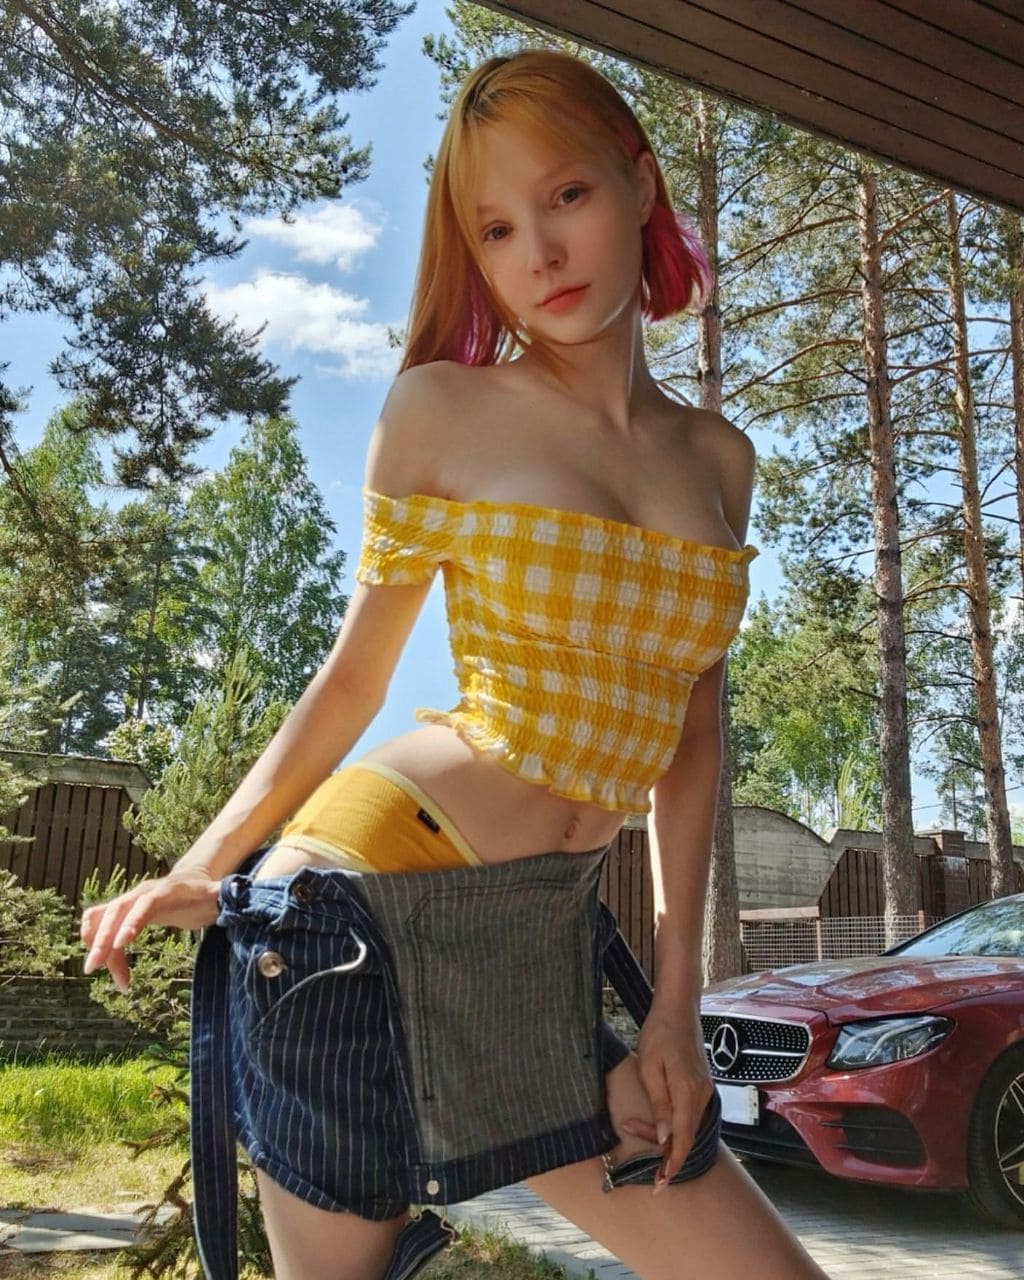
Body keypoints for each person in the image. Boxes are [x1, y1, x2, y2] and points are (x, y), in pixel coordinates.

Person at [80, 48, 831, 1280]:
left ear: (639, 182)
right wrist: (208, 865)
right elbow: (353, 678)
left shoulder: (717, 458)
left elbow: (691, 739)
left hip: (540, 935)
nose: (540, 252)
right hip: (360, 914)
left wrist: (675, 1004)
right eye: (496, 229)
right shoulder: (440, 410)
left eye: (566, 195)